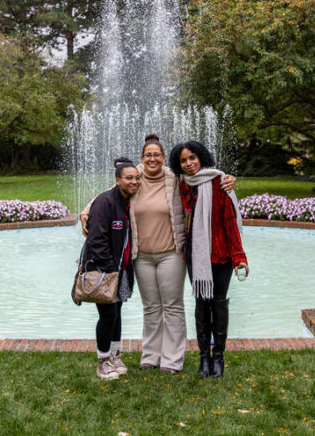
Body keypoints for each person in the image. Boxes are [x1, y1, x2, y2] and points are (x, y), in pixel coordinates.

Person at [80, 134, 236, 374]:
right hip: (141, 255)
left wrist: (227, 179)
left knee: (172, 305)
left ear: (164, 158)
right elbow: (110, 193)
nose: (153, 158)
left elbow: (203, 178)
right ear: (142, 158)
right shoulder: (135, 178)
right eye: (148, 155)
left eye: (157, 154)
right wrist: (86, 210)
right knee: (151, 306)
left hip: (171, 253)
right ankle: (151, 355)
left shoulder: (176, 178)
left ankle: (172, 359)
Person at [169, 140, 248, 378]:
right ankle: (204, 357)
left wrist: (239, 256)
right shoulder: (180, 185)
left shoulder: (219, 181)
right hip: (195, 256)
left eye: (192, 158)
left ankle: (218, 357)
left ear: (201, 157)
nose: (189, 163)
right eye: (183, 160)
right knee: (202, 304)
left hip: (221, 254)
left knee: (219, 303)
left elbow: (229, 221)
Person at [84, 157, 139, 380]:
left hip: (123, 269)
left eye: (136, 178)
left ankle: (115, 355)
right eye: (129, 178)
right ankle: (103, 361)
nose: (134, 181)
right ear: (117, 180)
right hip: (106, 272)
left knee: (117, 313)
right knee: (107, 315)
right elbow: (96, 240)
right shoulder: (105, 202)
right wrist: (109, 269)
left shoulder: (129, 202)